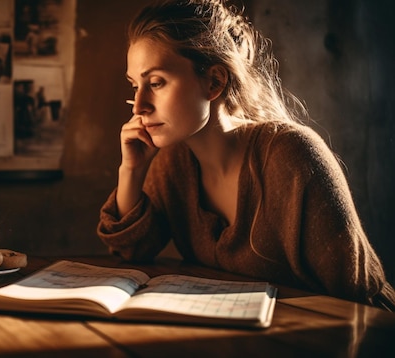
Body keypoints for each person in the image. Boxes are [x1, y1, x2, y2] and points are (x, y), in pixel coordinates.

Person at [96, 0, 395, 310]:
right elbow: (130, 253)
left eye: (156, 82)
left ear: (214, 81)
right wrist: (131, 170)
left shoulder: (291, 156)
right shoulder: (174, 163)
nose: (140, 104)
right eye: (135, 85)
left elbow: (358, 300)